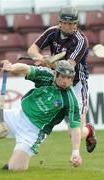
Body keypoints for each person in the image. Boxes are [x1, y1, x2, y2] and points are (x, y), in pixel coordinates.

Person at [0, 60, 82, 170]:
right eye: (62, 76)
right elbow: (26, 68)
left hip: (32, 132)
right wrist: (12, 68)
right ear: (55, 74)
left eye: (69, 78)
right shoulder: (46, 76)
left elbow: (75, 127)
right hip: (17, 116)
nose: (65, 81)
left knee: (15, 169)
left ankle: (14, 161)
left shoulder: (71, 99)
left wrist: (75, 152)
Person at [27, 5, 97, 153]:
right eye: (64, 22)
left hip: (77, 84)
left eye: (71, 23)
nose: (67, 26)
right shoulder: (52, 32)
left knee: (74, 133)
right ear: (60, 22)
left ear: (76, 24)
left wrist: (48, 61)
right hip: (57, 81)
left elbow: (68, 68)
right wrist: (40, 57)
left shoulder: (80, 40)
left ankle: (89, 131)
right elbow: (31, 50)